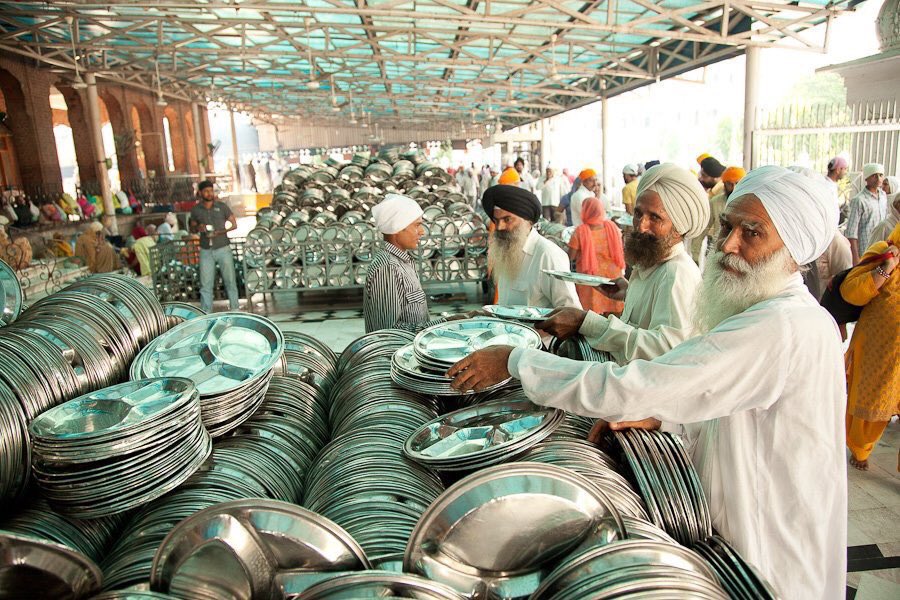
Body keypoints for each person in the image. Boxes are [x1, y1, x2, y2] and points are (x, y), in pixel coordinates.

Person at [448, 165, 846, 600]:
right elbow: (729, 405)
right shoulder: (772, 313)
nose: (729, 245)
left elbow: (640, 382)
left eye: (753, 233)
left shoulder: (779, 326)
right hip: (742, 532)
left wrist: (518, 362)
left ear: (793, 248)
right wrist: (663, 419)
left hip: (770, 549)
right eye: (728, 227)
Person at [540, 163, 708, 364]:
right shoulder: (652, 264)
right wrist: (629, 293)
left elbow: (667, 349)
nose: (641, 226)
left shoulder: (676, 272)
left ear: (679, 227)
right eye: (638, 214)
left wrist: (586, 322)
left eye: (655, 217)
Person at [364, 194, 476, 332]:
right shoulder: (387, 267)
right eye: (417, 225)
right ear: (396, 228)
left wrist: (448, 322)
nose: (422, 232)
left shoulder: (402, 262)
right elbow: (388, 332)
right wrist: (443, 323)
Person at [840, 222, 899, 471]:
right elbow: (850, 292)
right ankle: (860, 448)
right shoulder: (884, 250)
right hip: (880, 350)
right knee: (871, 404)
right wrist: (885, 269)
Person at [482, 184, 580, 309]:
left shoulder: (548, 255)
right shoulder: (505, 253)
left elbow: (571, 311)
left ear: (527, 221)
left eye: (507, 220)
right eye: (496, 221)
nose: (499, 227)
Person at [568, 197, 625, 315]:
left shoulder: (581, 231)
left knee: (591, 316)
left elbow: (570, 257)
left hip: (591, 281)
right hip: (613, 278)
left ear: (585, 211)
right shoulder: (612, 227)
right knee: (613, 313)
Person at [189, 180, 240, 312]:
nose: (209, 193)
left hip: (223, 247)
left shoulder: (222, 207)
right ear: (200, 193)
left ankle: (235, 309)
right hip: (206, 250)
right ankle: (206, 312)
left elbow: (234, 225)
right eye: (206, 191)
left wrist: (220, 232)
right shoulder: (196, 210)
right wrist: (198, 227)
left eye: (211, 190)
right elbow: (192, 228)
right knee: (206, 284)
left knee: (230, 280)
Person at [846, 163, 888, 264]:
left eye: (880, 175)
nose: (878, 178)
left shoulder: (883, 196)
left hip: (882, 250)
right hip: (866, 251)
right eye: (874, 175)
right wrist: (855, 259)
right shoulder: (859, 200)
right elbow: (851, 233)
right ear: (866, 178)